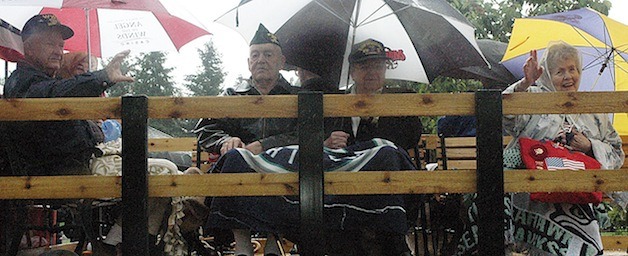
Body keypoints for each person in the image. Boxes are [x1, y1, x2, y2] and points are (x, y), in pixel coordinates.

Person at [455, 41, 624, 255]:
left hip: (575, 193)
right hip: (529, 192)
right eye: (559, 71)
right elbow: (505, 114)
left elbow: (616, 152)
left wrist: (590, 146)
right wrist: (525, 82)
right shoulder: (532, 96)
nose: (567, 77)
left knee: (584, 237)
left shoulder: (594, 109)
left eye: (572, 69)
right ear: (547, 75)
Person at [194, 23, 300, 256]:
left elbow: (307, 133)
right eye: (255, 55)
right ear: (248, 62)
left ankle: (274, 242)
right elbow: (205, 128)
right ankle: (242, 245)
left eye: (268, 54)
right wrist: (225, 140)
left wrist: (266, 146)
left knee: (282, 163)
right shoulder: (233, 95)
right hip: (242, 167)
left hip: (284, 169)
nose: (261, 60)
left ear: (281, 61)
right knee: (235, 157)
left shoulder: (296, 97)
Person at [2, 14, 133, 177]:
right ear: (28, 48)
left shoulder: (39, 82)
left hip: (72, 169)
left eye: (61, 45)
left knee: (156, 162)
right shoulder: (23, 81)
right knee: (152, 171)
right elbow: (53, 94)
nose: (58, 52)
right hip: (56, 179)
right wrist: (102, 77)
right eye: (50, 44)